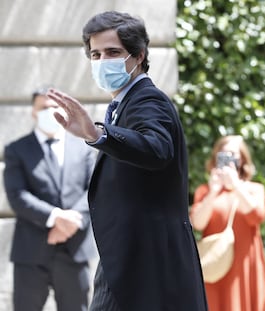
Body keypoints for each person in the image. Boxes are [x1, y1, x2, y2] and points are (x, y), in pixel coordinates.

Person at [46, 11, 208, 311]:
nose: (102, 60)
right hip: (132, 259)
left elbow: (157, 148)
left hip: (147, 262)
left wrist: (97, 134)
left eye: (113, 52)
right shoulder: (125, 103)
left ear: (138, 56)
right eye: (95, 54)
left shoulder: (148, 99)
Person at [3, 87, 97, 311]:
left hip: (74, 251)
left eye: (55, 107)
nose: (50, 111)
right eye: (44, 108)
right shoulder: (17, 150)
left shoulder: (83, 148)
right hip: (31, 253)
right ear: (33, 112)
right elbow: (17, 195)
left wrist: (71, 224)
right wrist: (56, 218)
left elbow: (94, 191)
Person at [190, 135, 265, 311]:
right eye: (223, 154)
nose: (228, 158)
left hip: (244, 266)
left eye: (233, 154)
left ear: (242, 158)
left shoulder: (253, 189)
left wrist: (236, 185)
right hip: (214, 265)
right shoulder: (205, 190)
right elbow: (198, 223)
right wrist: (213, 191)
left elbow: (257, 216)